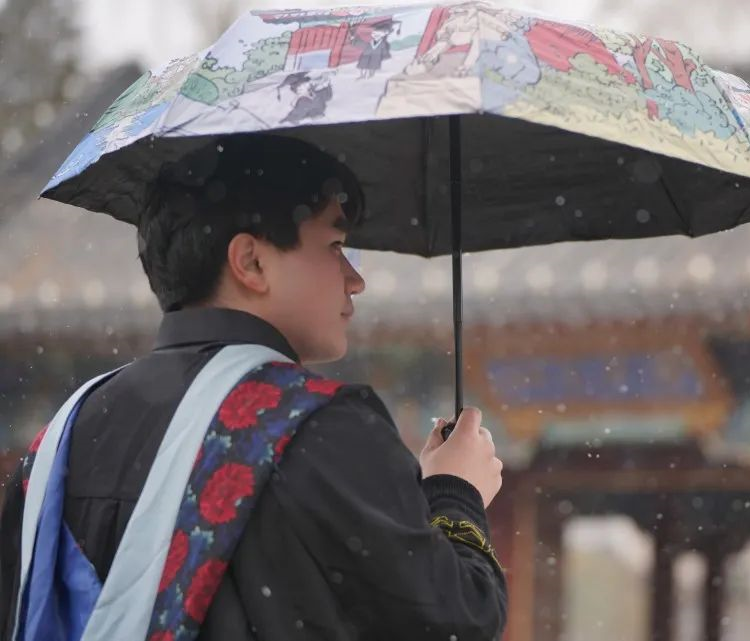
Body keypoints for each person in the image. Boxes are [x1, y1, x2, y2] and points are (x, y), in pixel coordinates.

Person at [0, 134, 507, 640]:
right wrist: (454, 491)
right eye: (335, 247)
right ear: (251, 262)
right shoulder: (320, 426)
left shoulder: (61, 438)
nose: (355, 280)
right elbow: (458, 622)